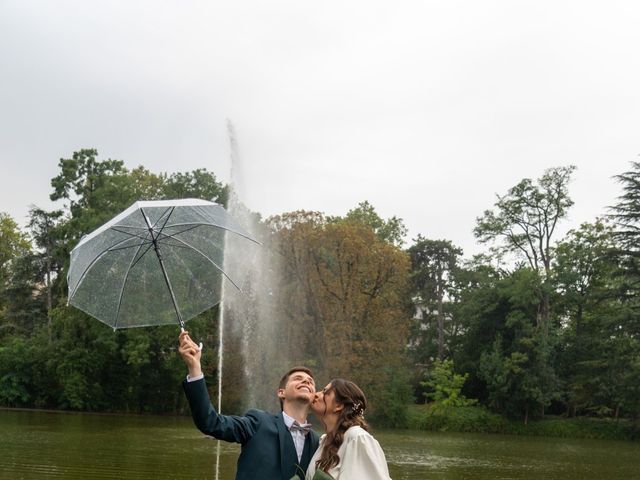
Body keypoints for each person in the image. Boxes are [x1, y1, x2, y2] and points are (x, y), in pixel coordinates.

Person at [178, 331, 320, 480]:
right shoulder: (258, 422)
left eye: (311, 382)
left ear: (314, 397)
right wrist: (195, 368)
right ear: (281, 392)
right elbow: (210, 422)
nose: (306, 382)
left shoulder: (318, 442)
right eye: (298, 379)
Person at [306, 379, 391, 480]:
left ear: (339, 405)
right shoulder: (323, 442)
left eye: (325, 392)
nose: (316, 394)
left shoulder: (357, 438)